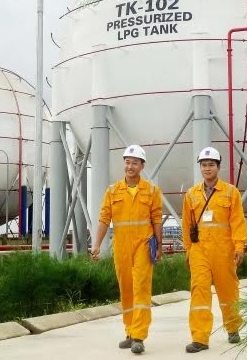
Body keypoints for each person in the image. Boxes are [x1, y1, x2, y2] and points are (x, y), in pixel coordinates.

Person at [91, 144, 163, 355]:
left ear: (142, 166)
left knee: (141, 287)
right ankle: (130, 331)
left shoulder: (151, 191)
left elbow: (157, 220)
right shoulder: (113, 191)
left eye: (135, 163)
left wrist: (159, 245)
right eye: (127, 162)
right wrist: (96, 244)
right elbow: (104, 219)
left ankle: (139, 336)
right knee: (126, 289)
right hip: (121, 246)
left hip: (143, 244)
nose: (130, 166)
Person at [182, 146, 247, 353]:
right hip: (199, 250)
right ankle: (200, 338)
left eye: (211, 165)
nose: (207, 168)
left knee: (228, 291)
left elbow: (237, 221)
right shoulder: (191, 194)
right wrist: (188, 250)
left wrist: (239, 246)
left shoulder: (230, 192)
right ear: (200, 167)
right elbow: (187, 225)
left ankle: (233, 327)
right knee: (199, 292)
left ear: (218, 167)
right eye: (204, 165)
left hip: (223, 250)